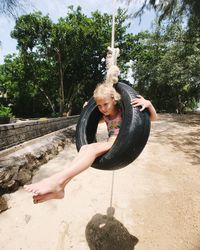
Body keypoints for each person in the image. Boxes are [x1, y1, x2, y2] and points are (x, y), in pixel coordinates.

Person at [24, 69, 157, 204]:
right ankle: (61, 187)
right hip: (110, 141)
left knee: (91, 149)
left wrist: (149, 105)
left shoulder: (123, 111)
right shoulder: (105, 116)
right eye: (99, 106)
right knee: (84, 149)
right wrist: (87, 111)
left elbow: (151, 118)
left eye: (105, 104)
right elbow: (91, 120)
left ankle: (57, 180)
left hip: (120, 142)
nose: (103, 109)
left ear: (114, 100)